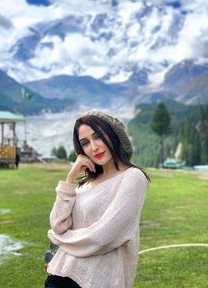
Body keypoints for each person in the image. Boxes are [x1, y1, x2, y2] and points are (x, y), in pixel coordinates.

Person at [45, 111, 150, 288]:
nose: (93, 147)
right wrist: (70, 178)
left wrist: (60, 240)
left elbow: (102, 237)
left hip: (97, 280)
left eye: (98, 137)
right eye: (85, 143)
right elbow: (58, 225)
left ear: (113, 135)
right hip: (58, 275)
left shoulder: (132, 177)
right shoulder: (85, 184)